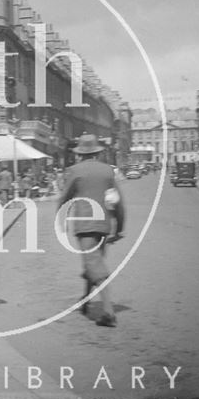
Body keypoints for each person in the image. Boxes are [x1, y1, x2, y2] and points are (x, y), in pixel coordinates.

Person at [58, 134, 125, 328]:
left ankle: (108, 313)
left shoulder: (74, 171)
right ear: (97, 152)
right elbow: (117, 201)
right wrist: (119, 227)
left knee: (94, 265)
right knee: (93, 263)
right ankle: (86, 301)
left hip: (84, 226)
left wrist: (60, 222)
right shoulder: (107, 171)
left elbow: (64, 198)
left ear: (79, 153)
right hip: (104, 225)